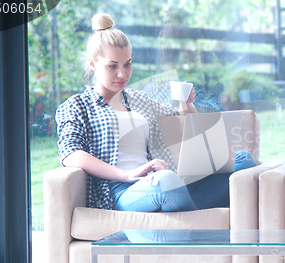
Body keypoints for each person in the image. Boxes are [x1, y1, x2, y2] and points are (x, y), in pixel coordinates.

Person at [55, 13, 257, 212]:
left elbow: (180, 126)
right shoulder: (77, 106)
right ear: (93, 64)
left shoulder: (138, 99)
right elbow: (70, 153)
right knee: (166, 181)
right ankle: (195, 214)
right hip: (121, 189)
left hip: (159, 180)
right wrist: (127, 174)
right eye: (112, 66)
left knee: (243, 160)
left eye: (128, 64)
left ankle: (183, 210)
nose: (122, 74)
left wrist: (186, 105)